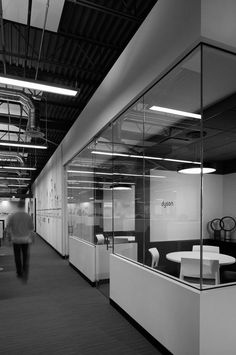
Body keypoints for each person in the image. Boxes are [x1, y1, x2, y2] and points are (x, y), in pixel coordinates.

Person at [6, 205, 34, 282]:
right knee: (25, 256)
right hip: (25, 240)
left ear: (18, 206)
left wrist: (9, 239)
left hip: (16, 240)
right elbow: (31, 228)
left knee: (17, 256)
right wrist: (32, 239)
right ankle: (25, 270)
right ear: (23, 206)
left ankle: (19, 272)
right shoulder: (28, 216)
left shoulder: (13, 216)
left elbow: (8, 228)